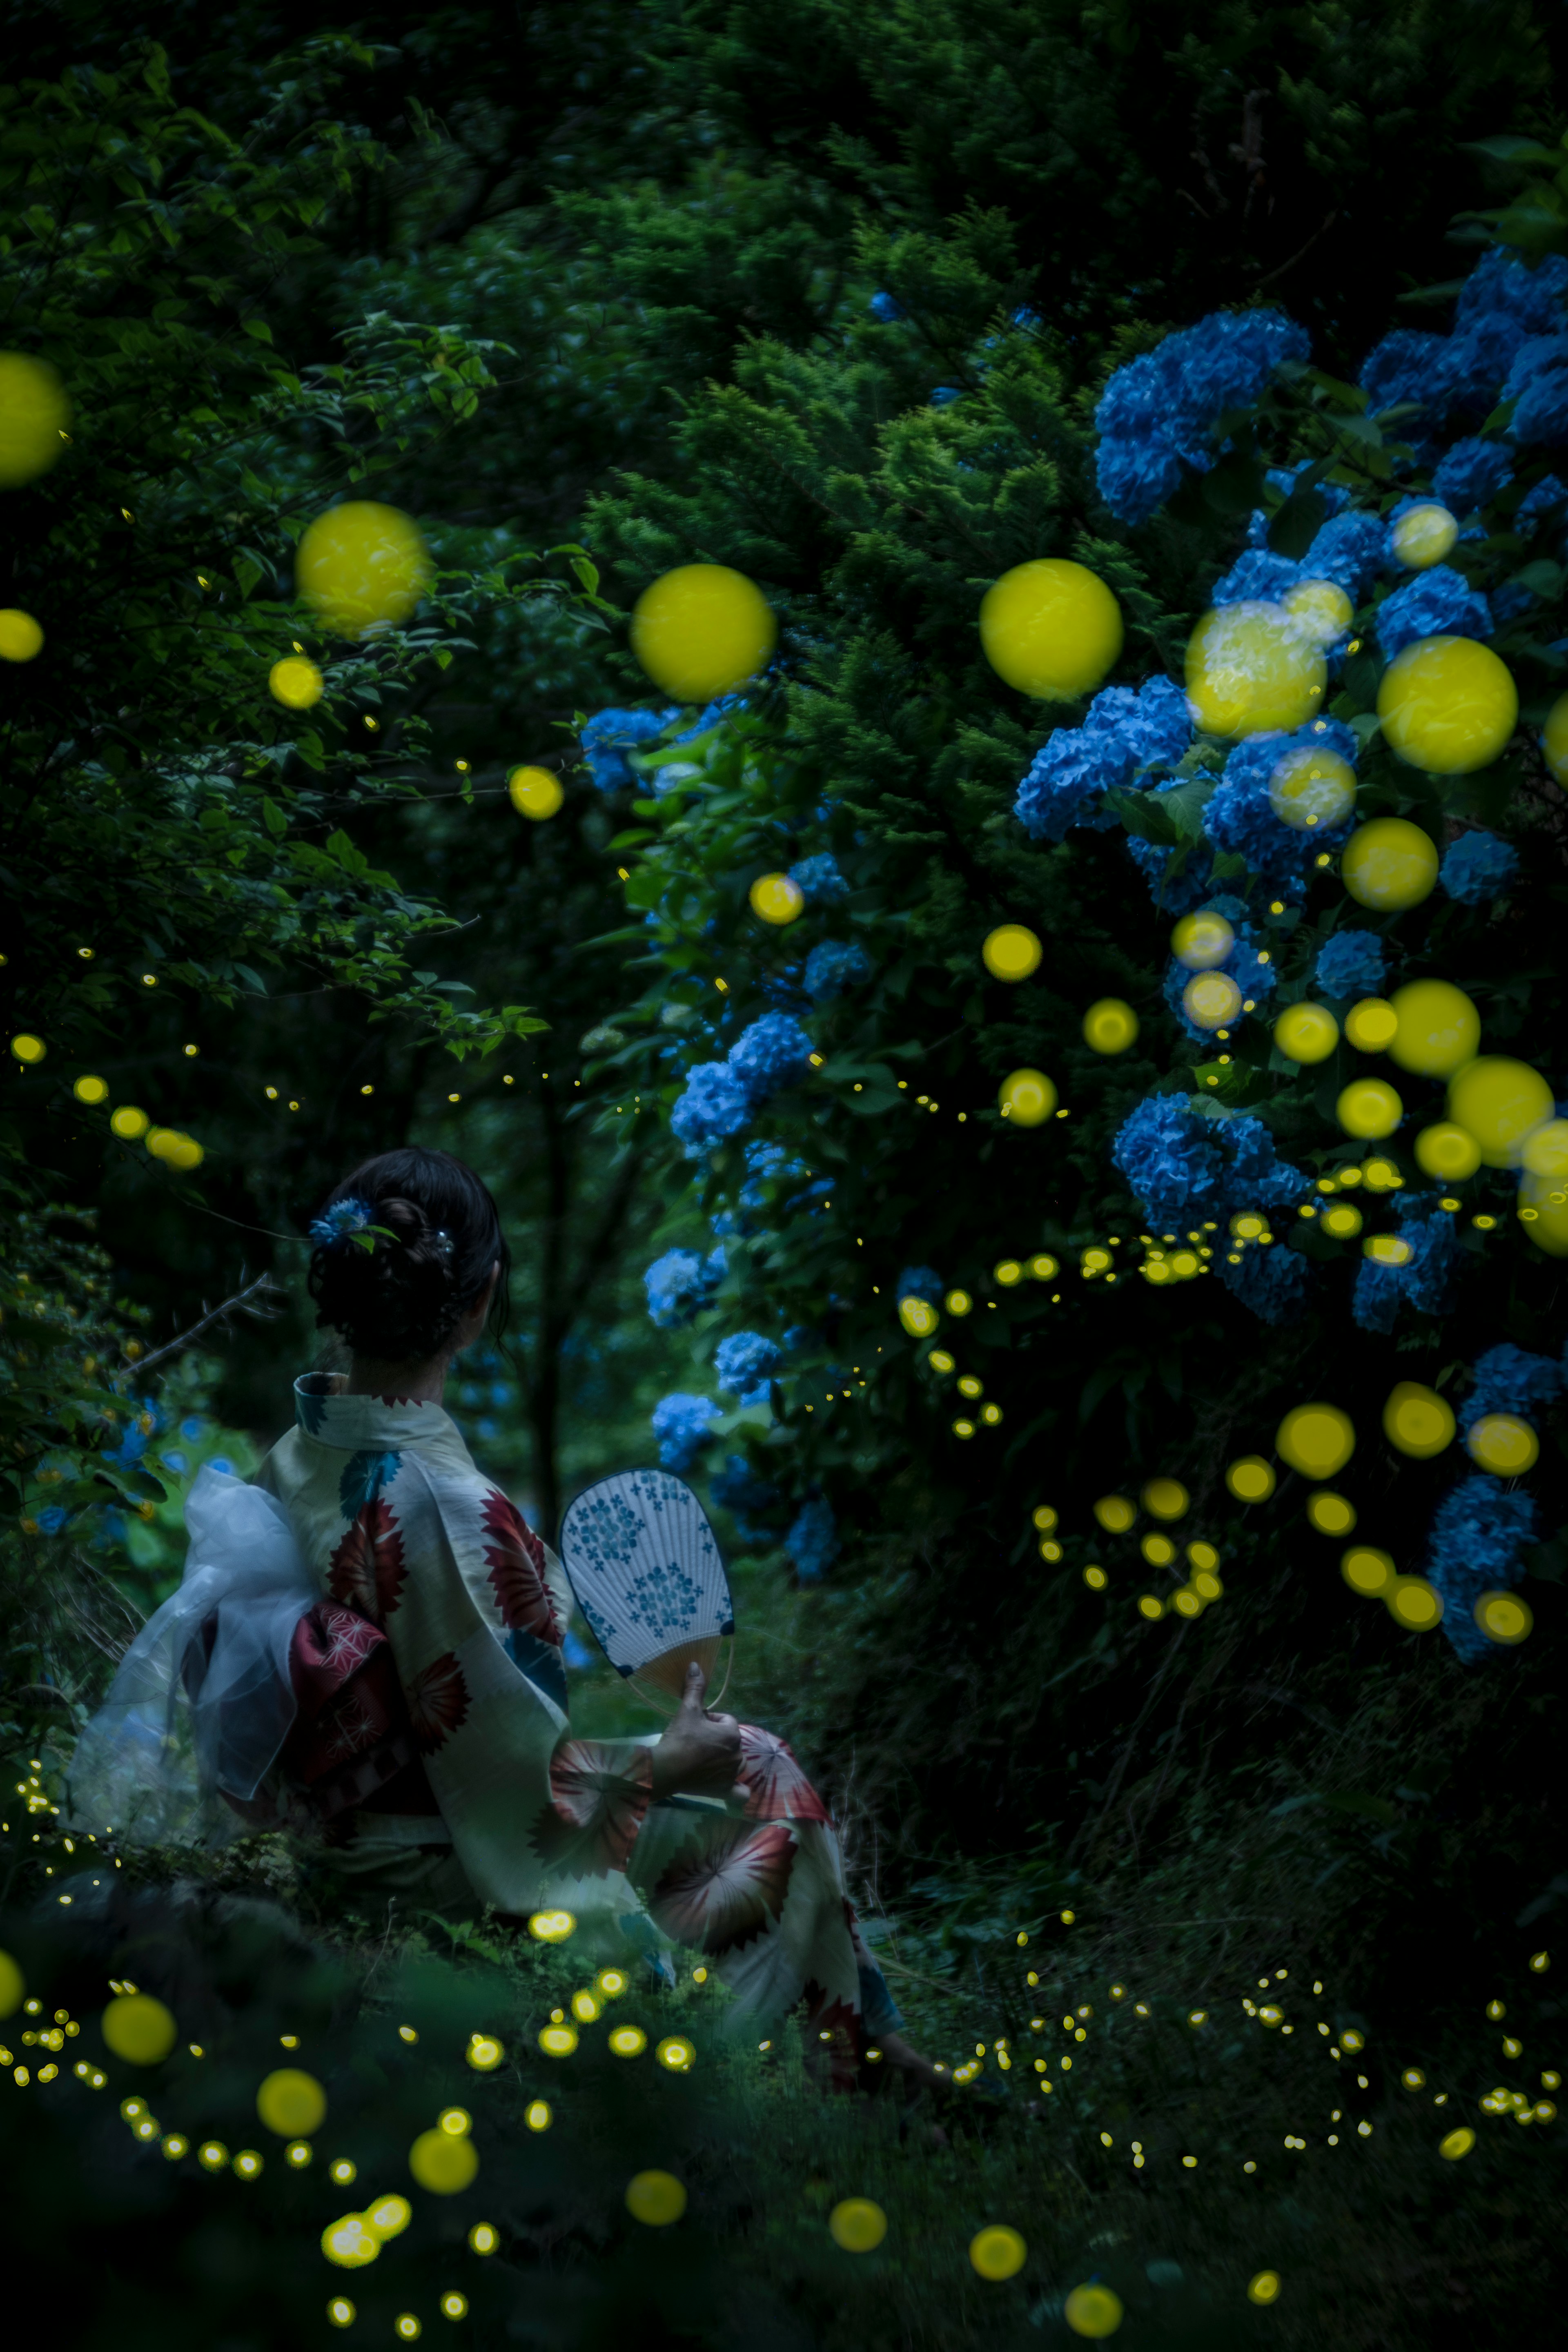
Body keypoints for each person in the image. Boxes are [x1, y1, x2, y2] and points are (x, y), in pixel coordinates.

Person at [251, 1145, 938, 2093]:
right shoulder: (449, 1510)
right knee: (753, 1778)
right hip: (434, 1864)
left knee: (759, 1760)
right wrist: (667, 1765)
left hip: (349, 1833)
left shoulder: (302, 1447)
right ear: (481, 1297)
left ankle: (872, 2047)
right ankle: (766, 2068)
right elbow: (523, 1798)